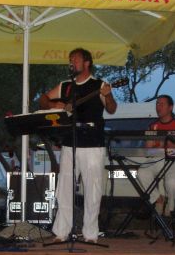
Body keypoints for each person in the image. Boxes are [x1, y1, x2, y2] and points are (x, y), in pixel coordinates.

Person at [39, 48, 117, 243]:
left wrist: (108, 96)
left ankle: (90, 234)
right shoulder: (65, 86)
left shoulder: (99, 85)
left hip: (93, 143)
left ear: (87, 63)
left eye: (75, 59)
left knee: (93, 189)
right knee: (64, 187)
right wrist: (54, 105)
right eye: (70, 60)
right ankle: (61, 232)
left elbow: (112, 109)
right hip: (70, 141)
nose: (71, 62)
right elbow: (43, 99)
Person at [137, 95, 175, 216]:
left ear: (170, 107)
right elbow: (149, 149)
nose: (158, 107)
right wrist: (164, 144)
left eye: (162, 104)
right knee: (142, 172)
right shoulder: (152, 126)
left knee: (172, 183)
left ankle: (170, 203)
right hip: (157, 159)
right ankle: (158, 199)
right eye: (157, 104)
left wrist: (165, 143)